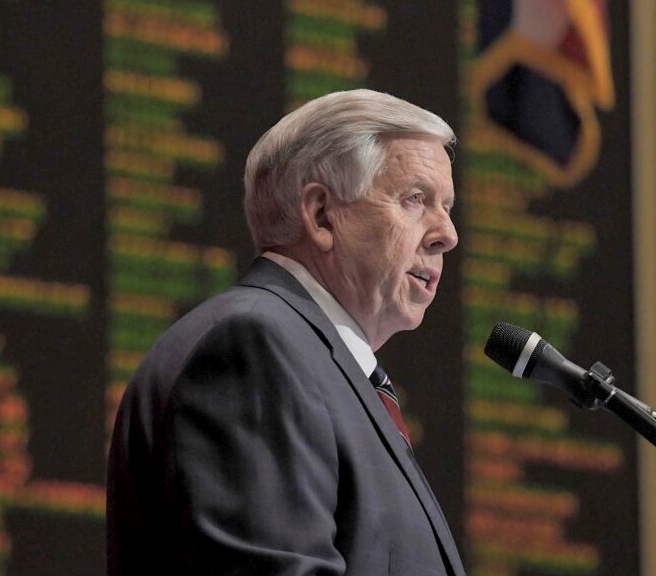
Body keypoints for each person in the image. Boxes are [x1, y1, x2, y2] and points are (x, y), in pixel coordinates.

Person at [107, 89, 465, 575]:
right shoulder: (255, 347)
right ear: (321, 215)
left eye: (446, 206)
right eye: (416, 199)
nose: (447, 233)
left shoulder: (324, 366)